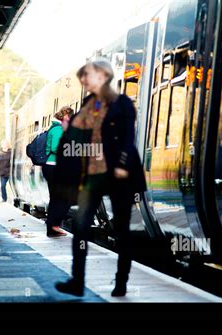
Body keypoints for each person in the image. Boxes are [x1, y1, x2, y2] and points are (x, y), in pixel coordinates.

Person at [54, 58, 146, 297]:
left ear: (104, 76)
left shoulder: (122, 104)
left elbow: (128, 137)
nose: (84, 80)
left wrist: (123, 165)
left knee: (122, 230)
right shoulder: (88, 104)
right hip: (92, 176)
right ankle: (77, 280)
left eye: (89, 75)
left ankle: (121, 281)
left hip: (119, 174)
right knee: (80, 225)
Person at [42, 107, 74, 237]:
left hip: (53, 167)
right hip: (54, 167)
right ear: (66, 116)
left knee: (56, 198)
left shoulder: (56, 128)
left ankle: (52, 227)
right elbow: (56, 147)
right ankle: (53, 225)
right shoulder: (57, 129)